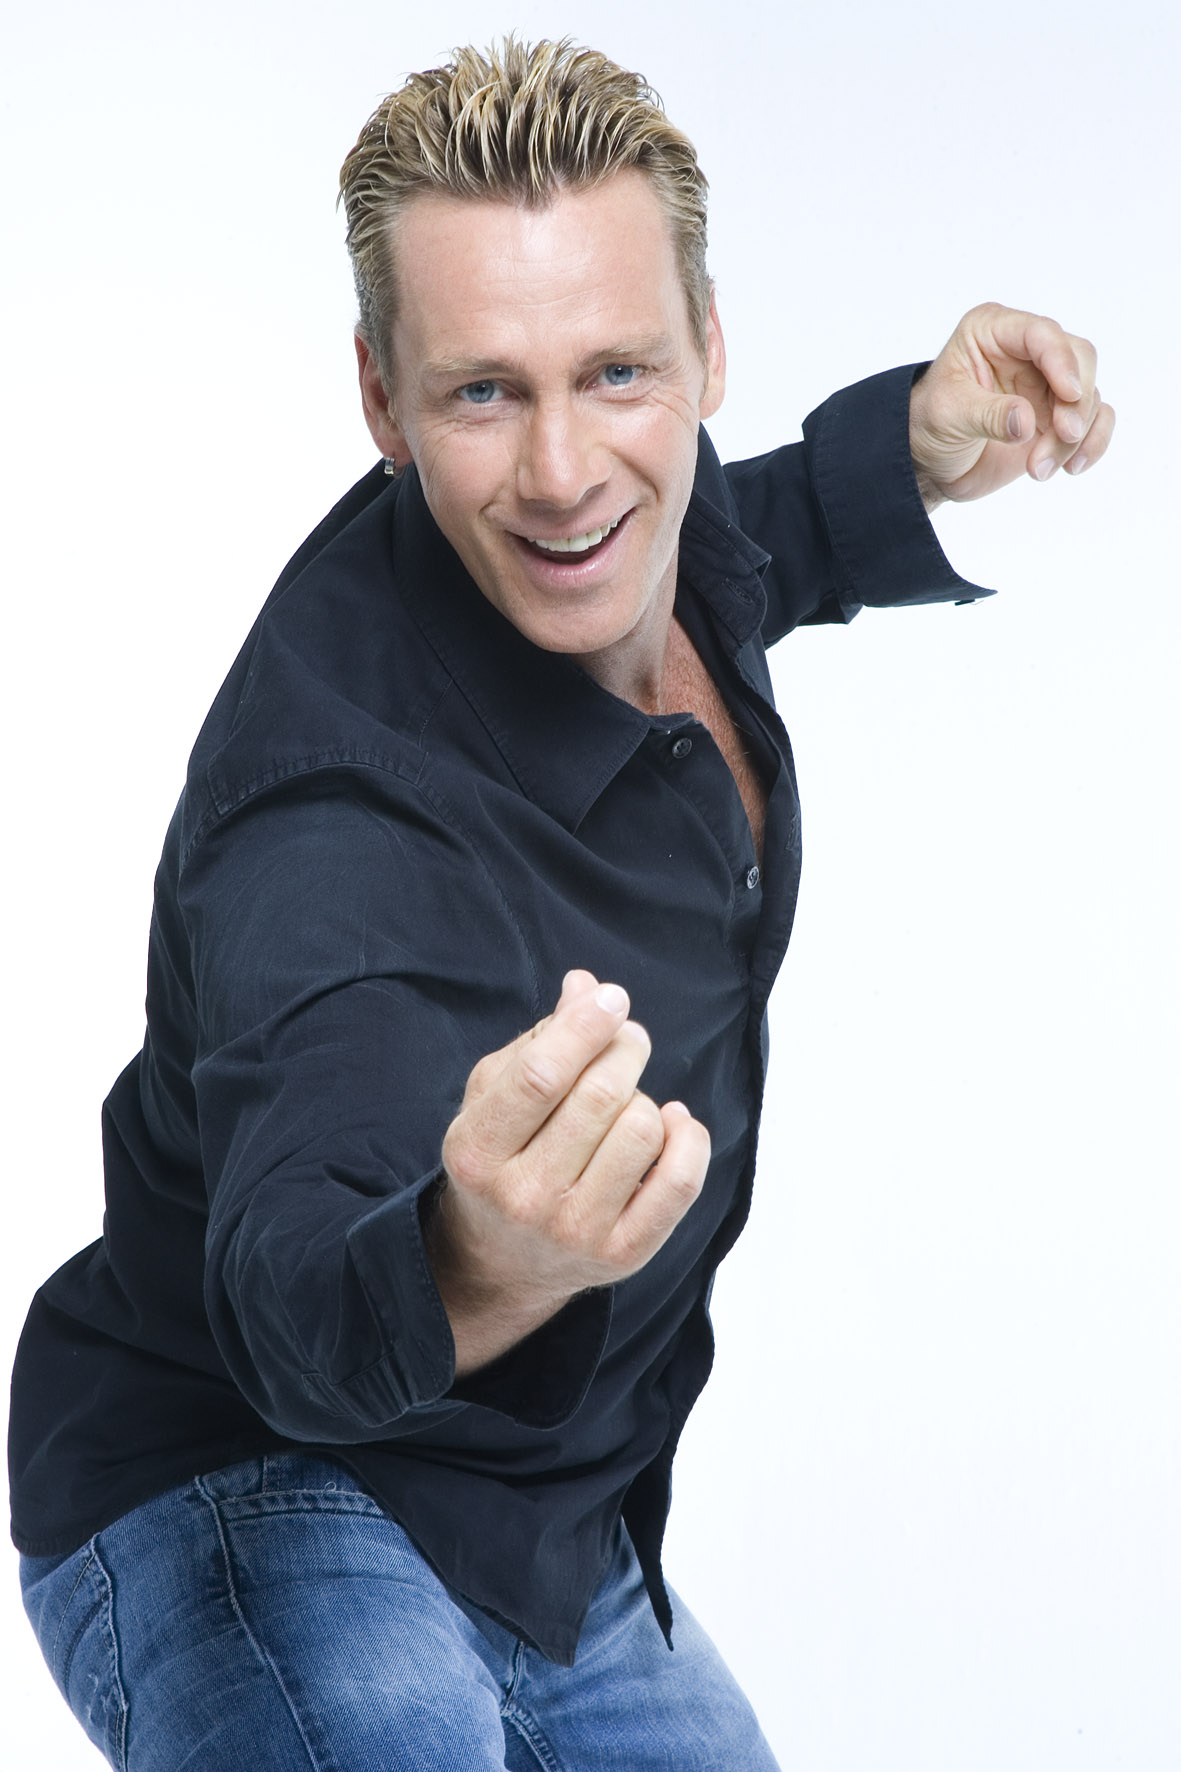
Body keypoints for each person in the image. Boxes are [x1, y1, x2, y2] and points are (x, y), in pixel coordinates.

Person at [10, 36, 1113, 1772]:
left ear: (708, 347)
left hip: (541, 1528)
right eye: (479, 394)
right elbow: (291, 1298)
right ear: (381, 400)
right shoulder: (329, 823)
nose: (560, 470)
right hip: (244, 1490)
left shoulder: (627, 544)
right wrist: (476, 1259)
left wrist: (897, 459)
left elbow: (720, 545)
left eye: (615, 370)